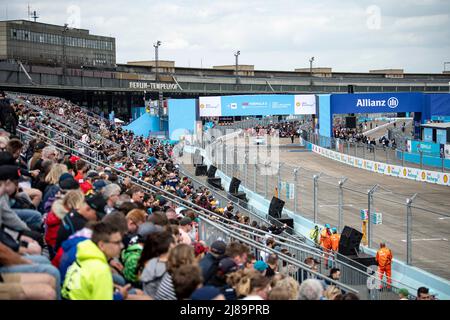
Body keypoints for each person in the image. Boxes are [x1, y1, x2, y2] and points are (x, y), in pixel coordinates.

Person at [61, 222, 130, 300]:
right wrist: (120, 296)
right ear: (101, 245)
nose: (122, 246)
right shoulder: (100, 269)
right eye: (117, 242)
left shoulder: (84, 254)